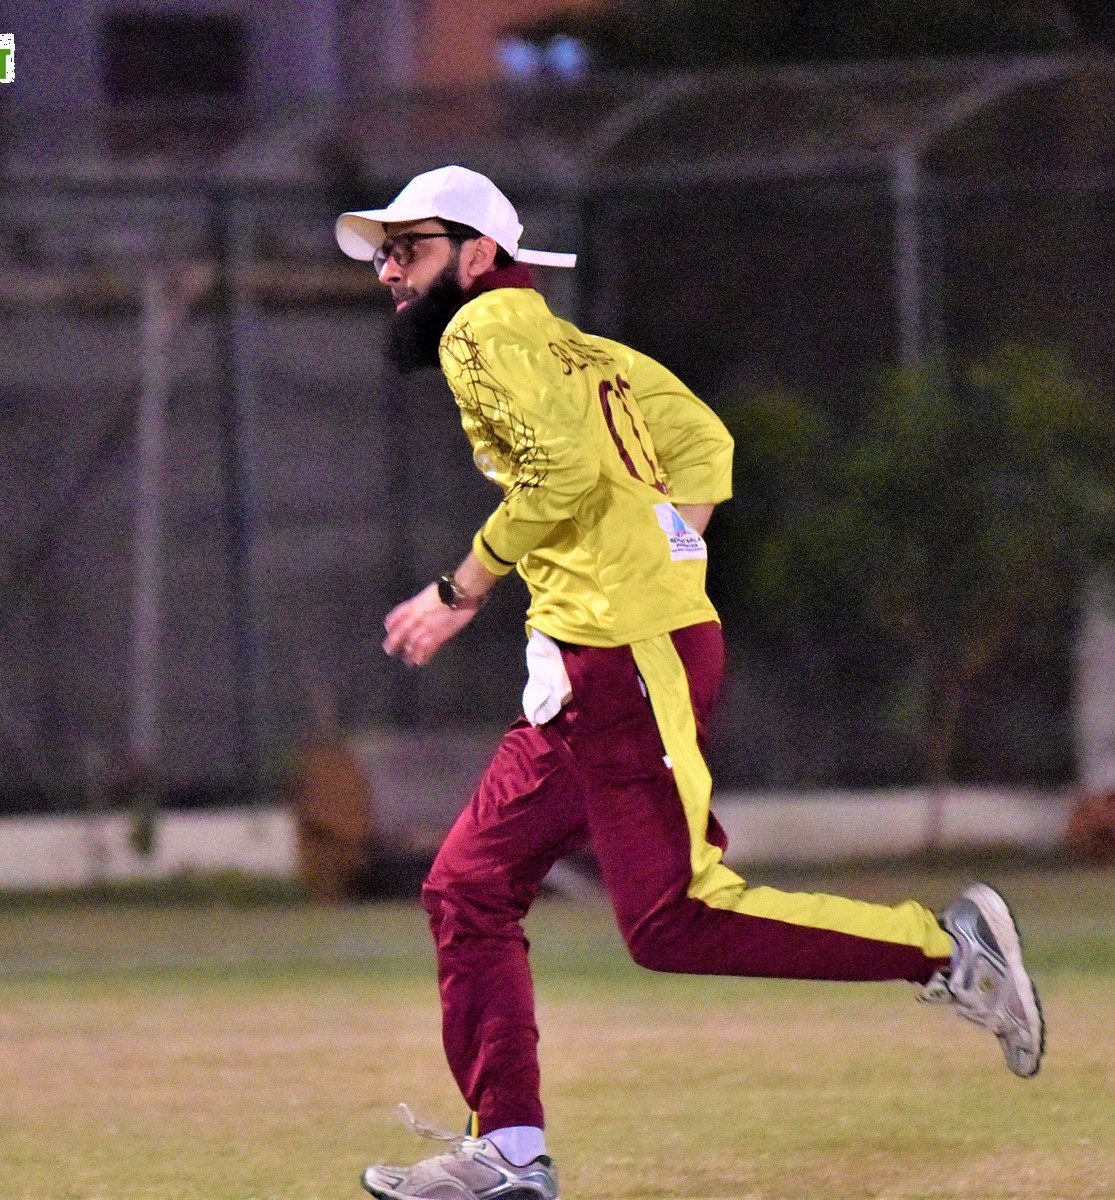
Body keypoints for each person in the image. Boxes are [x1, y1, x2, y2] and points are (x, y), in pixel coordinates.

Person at [336, 165, 1044, 1200]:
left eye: (409, 248)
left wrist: (461, 588)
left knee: (673, 918)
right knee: (468, 888)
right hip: (599, 659)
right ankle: (510, 1154)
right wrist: (667, 550)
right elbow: (704, 442)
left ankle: (946, 950)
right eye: (384, 255)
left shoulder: (477, 332)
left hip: (623, 659)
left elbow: (561, 475)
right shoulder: (585, 350)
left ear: (478, 255)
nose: (390, 272)